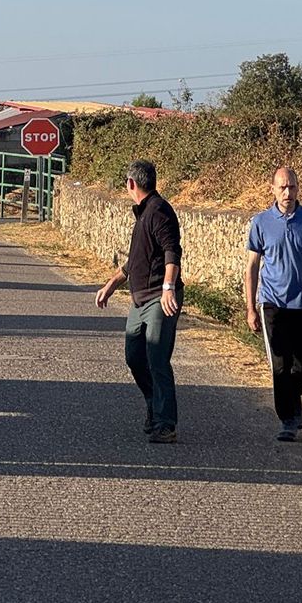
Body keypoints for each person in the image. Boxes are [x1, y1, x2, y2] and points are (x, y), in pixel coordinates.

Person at [244, 166, 302, 441]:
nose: (288, 192)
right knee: (280, 364)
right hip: (272, 303)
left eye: (292, 187)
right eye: (282, 187)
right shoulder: (261, 223)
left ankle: (292, 401)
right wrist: (251, 307)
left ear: (298, 189)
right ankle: (288, 418)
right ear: (272, 189)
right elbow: (251, 267)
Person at [95, 160, 183, 443]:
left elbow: (172, 251)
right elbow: (134, 262)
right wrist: (111, 284)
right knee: (134, 357)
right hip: (139, 299)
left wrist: (168, 288)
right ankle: (153, 403)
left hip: (159, 297)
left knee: (157, 358)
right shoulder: (144, 214)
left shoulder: (159, 212)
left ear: (131, 183)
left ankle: (166, 423)